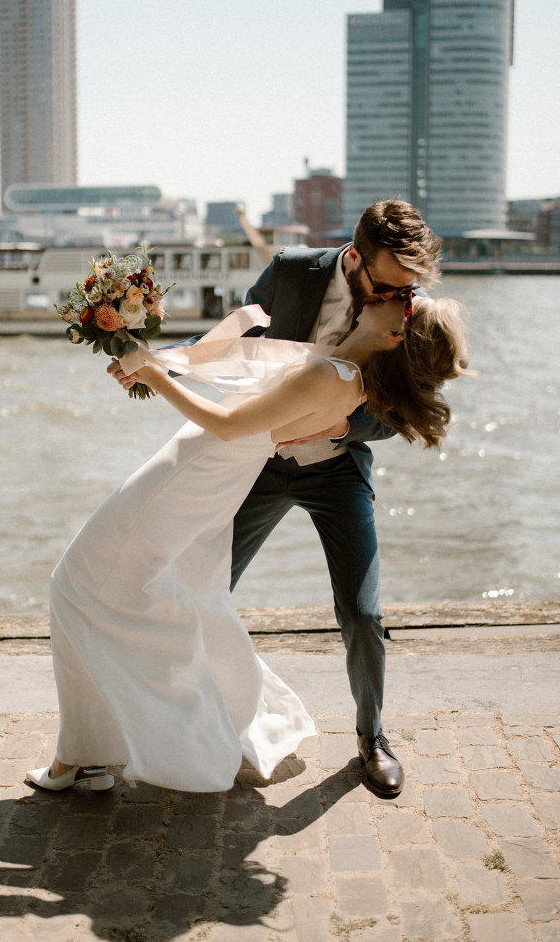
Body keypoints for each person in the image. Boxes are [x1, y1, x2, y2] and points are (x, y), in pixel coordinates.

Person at [27, 287, 469, 796]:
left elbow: (230, 425)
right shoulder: (342, 368)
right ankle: (89, 755)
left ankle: (83, 756)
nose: (391, 292)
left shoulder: (334, 376)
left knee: (76, 585)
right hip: (196, 472)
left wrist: (152, 376)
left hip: (190, 476)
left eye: (405, 299)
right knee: (112, 595)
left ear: (394, 333)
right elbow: (240, 362)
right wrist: (154, 355)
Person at [110, 197, 442, 796]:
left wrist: (344, 425)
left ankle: (372, 736)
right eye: (388, 285)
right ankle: (186, 720)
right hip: (259, 460)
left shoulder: (406, 305)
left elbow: (403, 410)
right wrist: (156, 362)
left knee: (363, 612)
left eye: (408, 287)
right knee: (204, 586)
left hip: (336, 468)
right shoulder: (292, 270)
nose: (400, 298)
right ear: (355, 257)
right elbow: (232, 341)